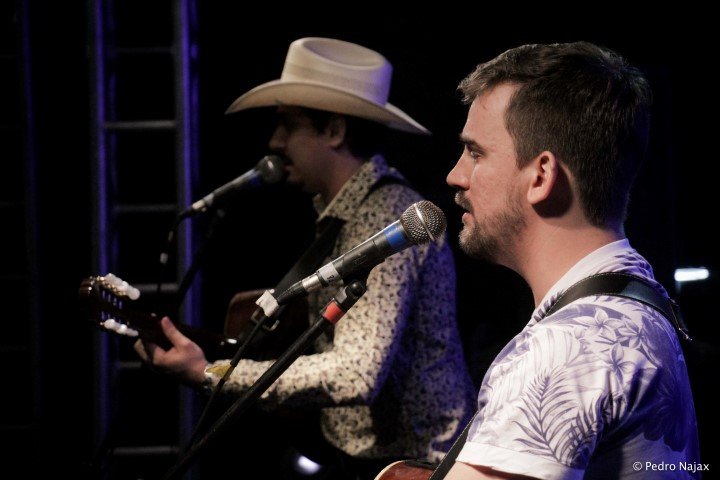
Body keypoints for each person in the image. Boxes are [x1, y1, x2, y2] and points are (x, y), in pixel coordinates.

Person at [134, 37, 476, 479]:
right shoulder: (344, 214)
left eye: (287, 125)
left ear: (334, 131)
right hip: (371, 461)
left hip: (419, 468)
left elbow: (356, 373)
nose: (274, 141)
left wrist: (211, 373)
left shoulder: (385, 216)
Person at [443, 42, 700, 479]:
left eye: (476, 152)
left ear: (541, 176)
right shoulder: (641, 301)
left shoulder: (562, 349)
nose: (456, 175)